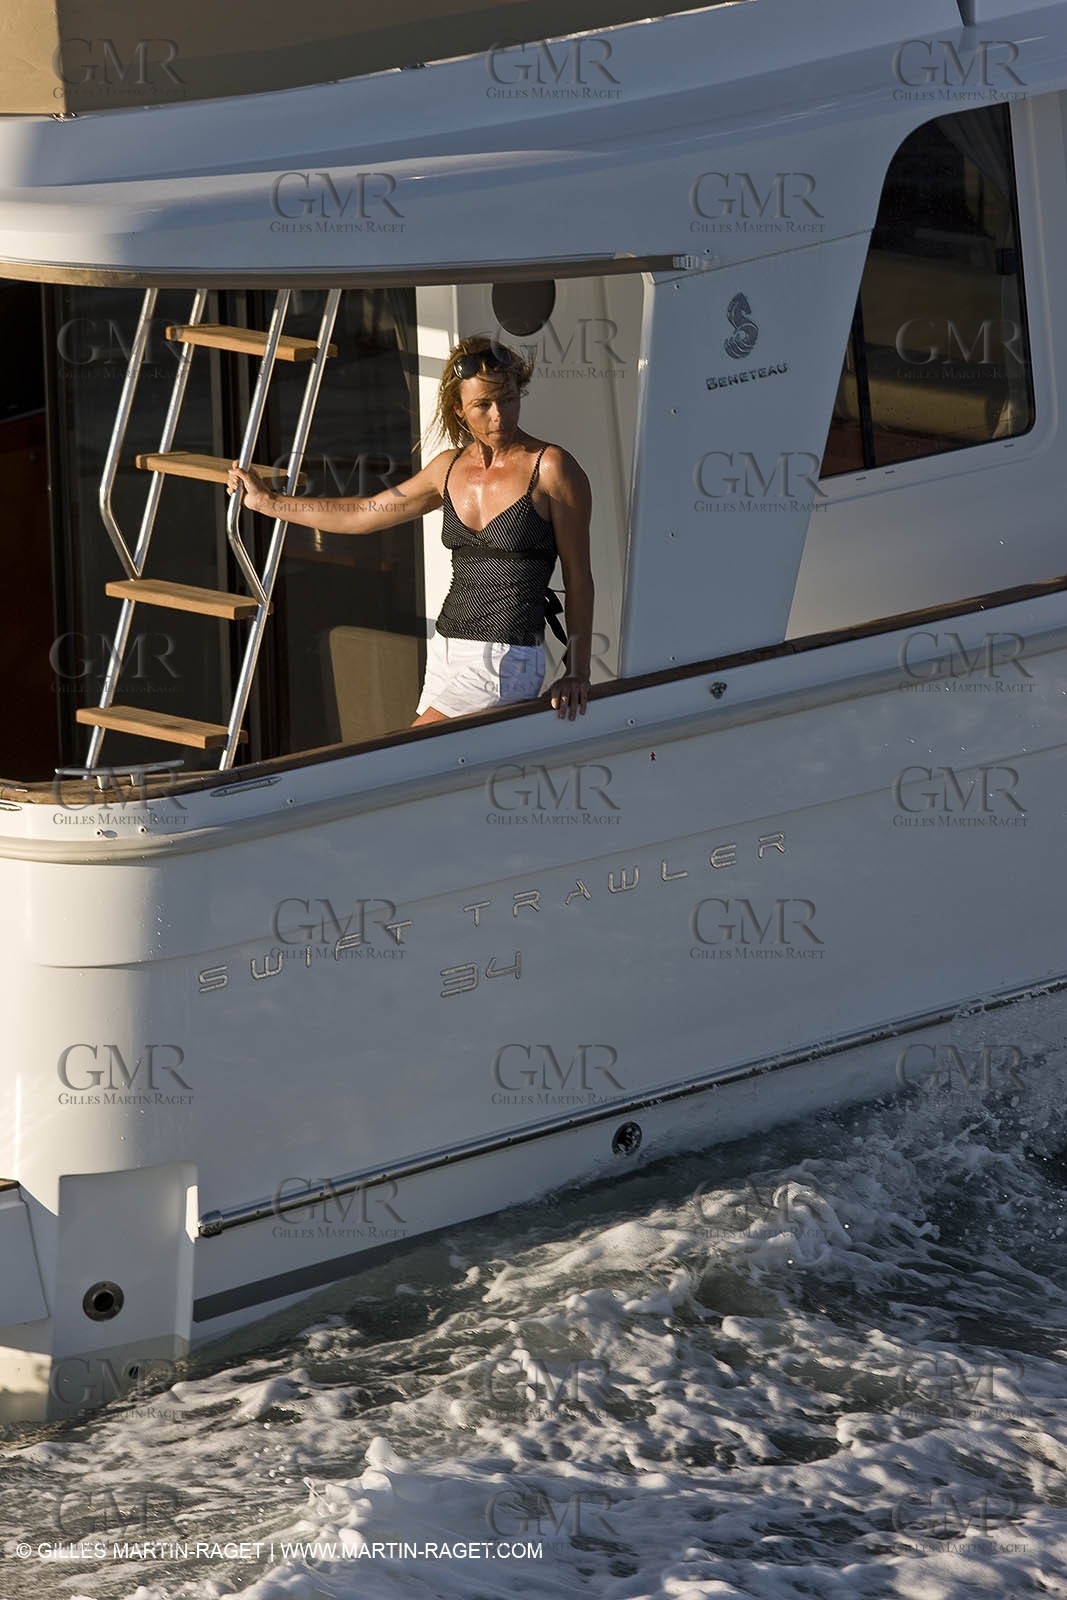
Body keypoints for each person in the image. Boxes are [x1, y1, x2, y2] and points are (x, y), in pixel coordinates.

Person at [227, 334, 594, 723]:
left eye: (508, 399)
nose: (499, 416)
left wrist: (577, 672)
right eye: (483, 405)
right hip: (445, 651)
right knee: (443, 773)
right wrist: (269, 503)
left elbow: (579, 577)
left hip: (505, 656)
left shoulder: (551, 468)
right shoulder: (448, 468)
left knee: (409, 752)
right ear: (459, 409)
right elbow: (363, 514)